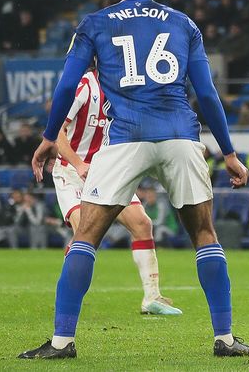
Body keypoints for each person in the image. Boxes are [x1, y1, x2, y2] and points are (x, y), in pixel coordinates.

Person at [21, 0, 249, 359]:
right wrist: (229, 152)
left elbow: (64, 87)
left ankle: (61, 342)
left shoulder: (93, 24)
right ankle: (226, 338)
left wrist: (48, 135)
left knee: (87, 236)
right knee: (204, 235)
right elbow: (207, 94)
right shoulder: (184, 24)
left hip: (125, 137)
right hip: (181, 135)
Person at [51, 64, 182, 313]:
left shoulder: (125, 89)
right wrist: (78, 164)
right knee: (85, 233)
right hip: (71, 170)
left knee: (142, 224)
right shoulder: (83, 85)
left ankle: (151, 298)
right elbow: (56, 132)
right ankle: (67, 300)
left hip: (107, 172)